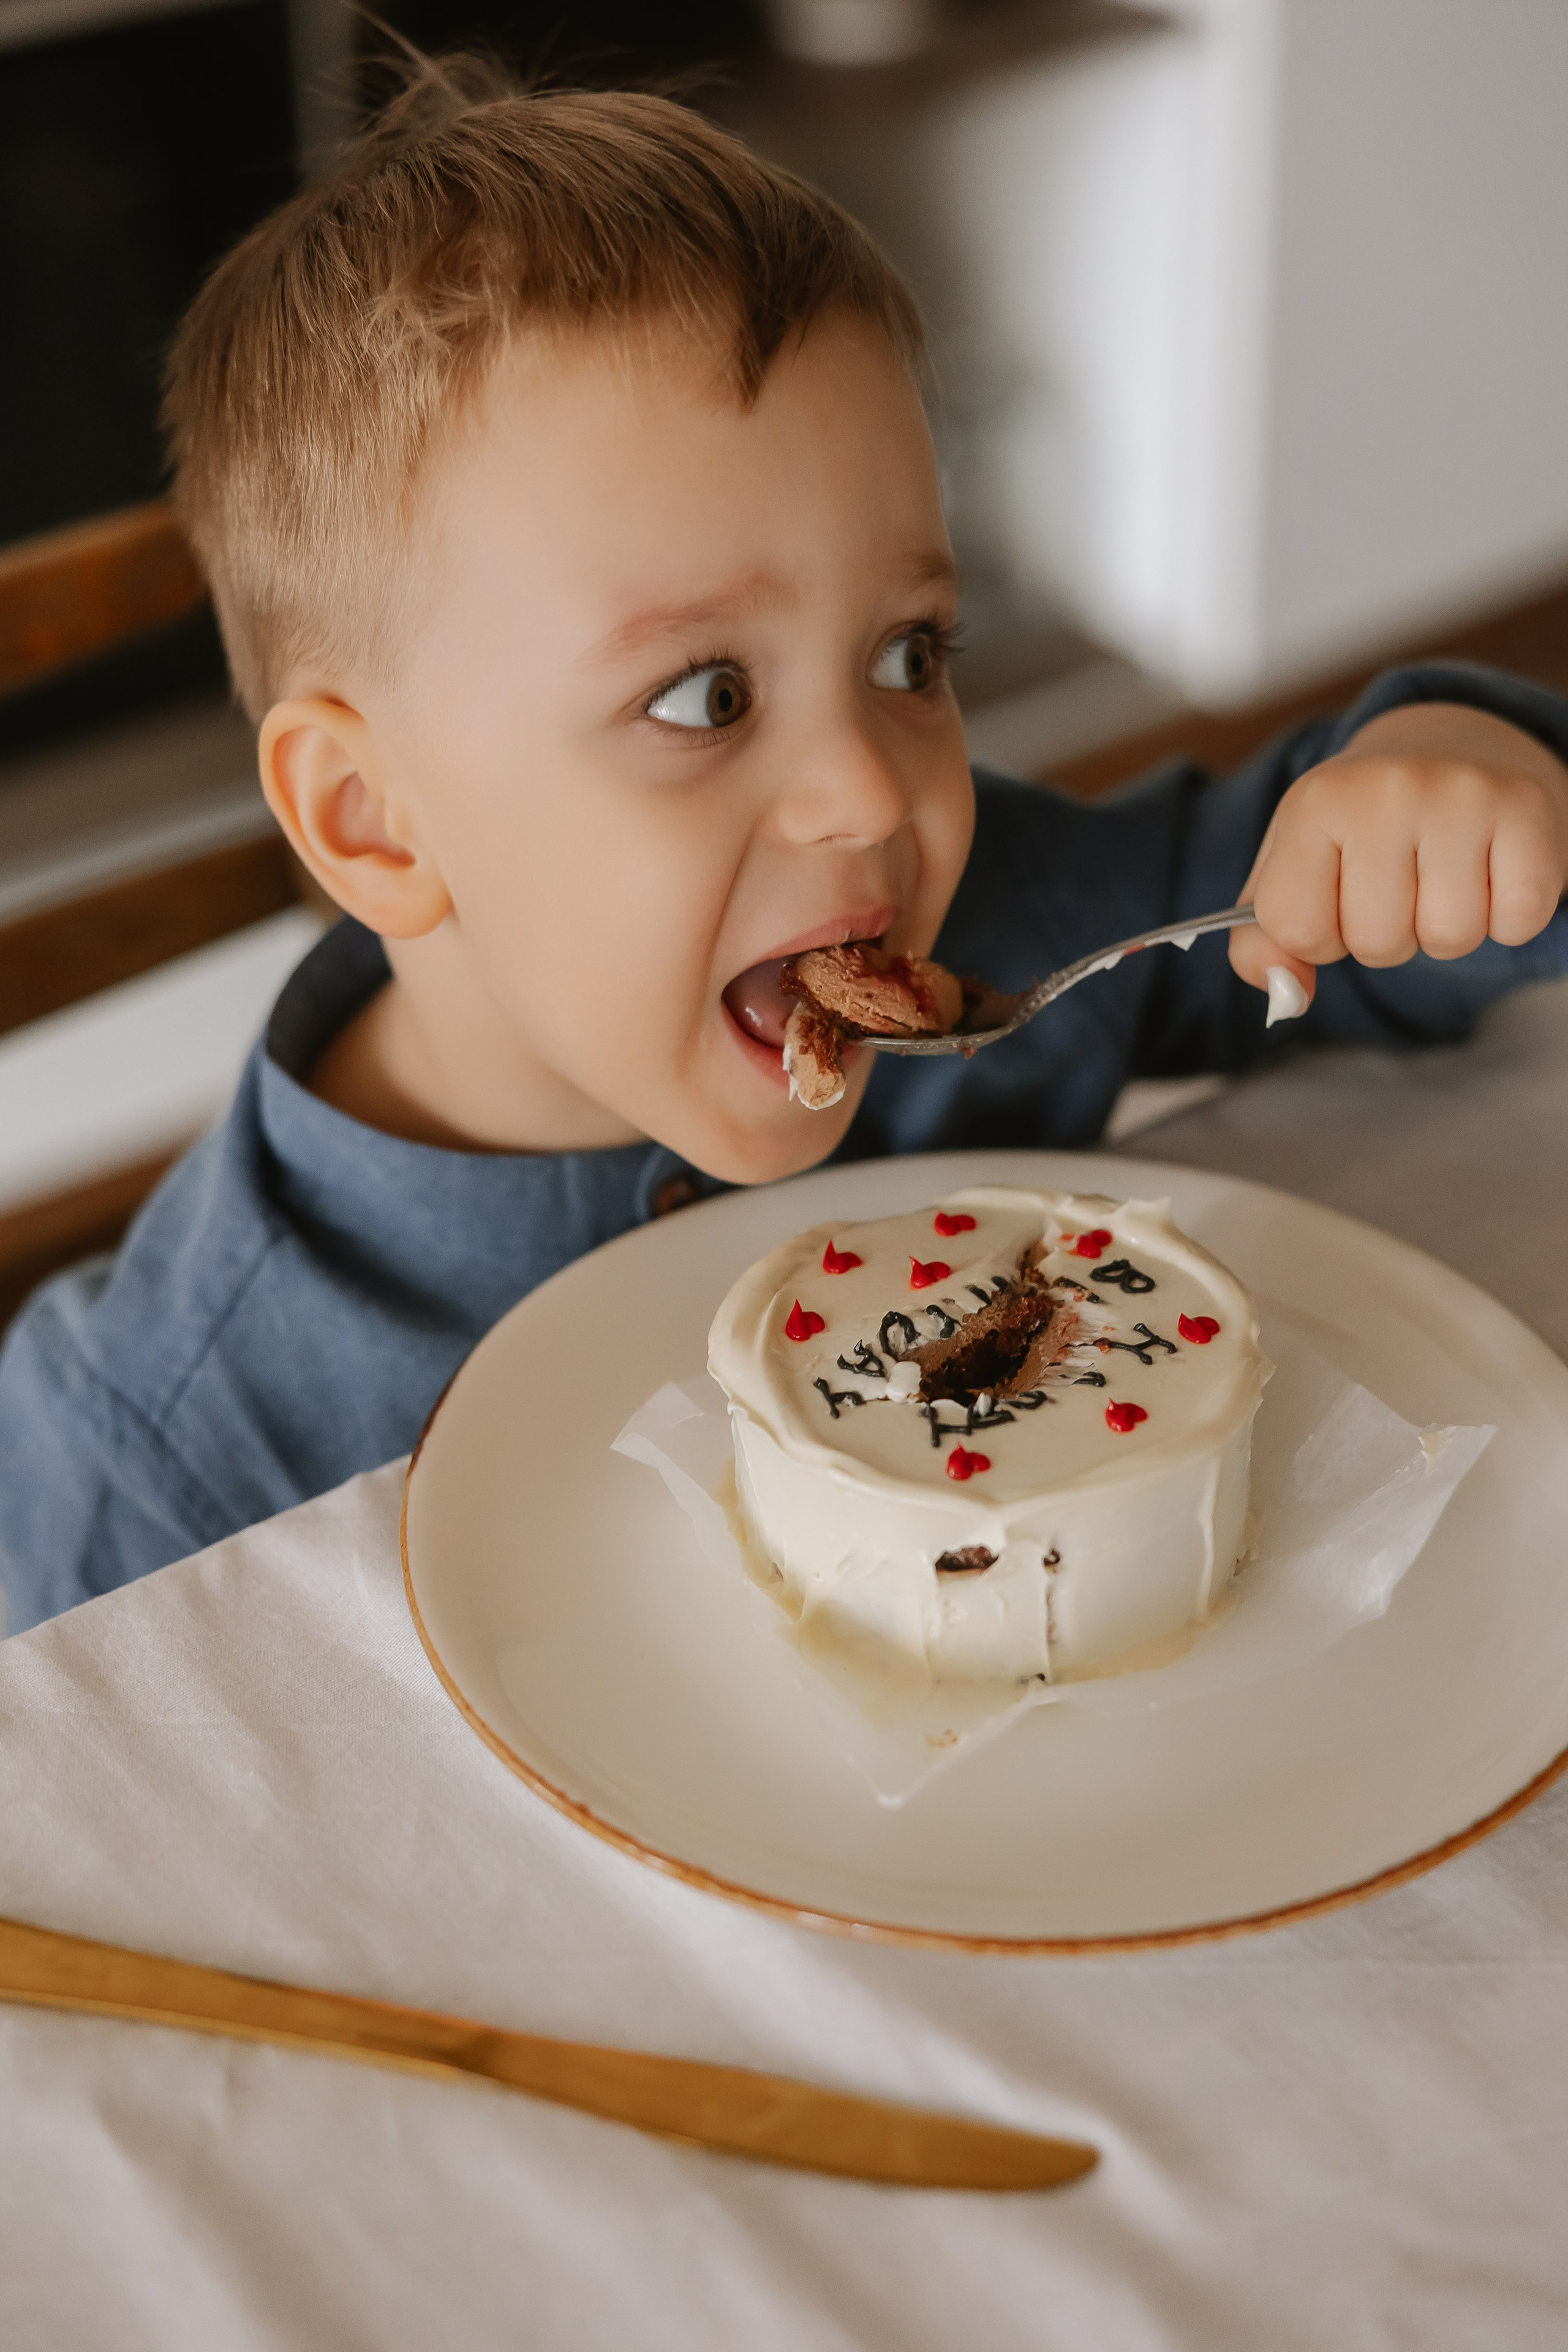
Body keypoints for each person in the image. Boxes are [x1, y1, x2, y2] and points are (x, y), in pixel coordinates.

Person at [3, 56, 1567, 1634]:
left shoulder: (991, 940)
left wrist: (1458, 770)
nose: (869, 798)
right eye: (707, 693)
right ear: (373, 818)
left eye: (911, 655)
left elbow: (1365, 913)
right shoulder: (161, 1455)